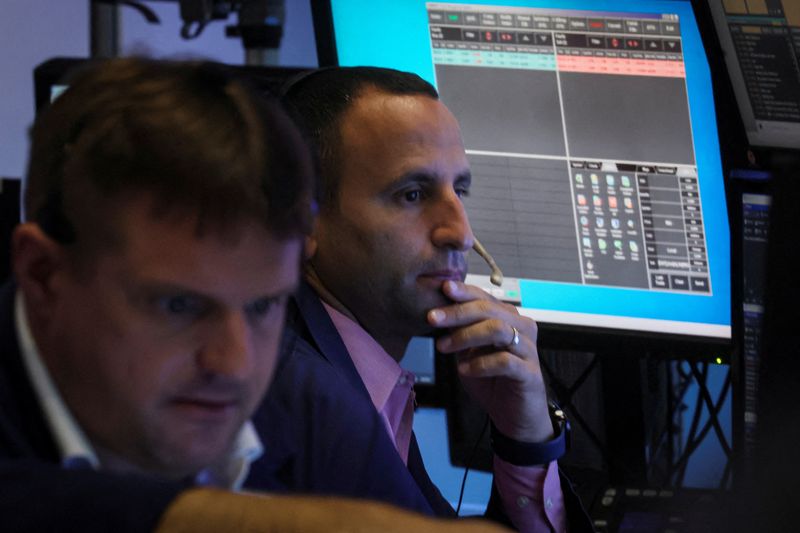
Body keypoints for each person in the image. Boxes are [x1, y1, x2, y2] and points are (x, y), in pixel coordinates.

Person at [0, 57, 509, 533]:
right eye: (179, 306)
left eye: (265, 306)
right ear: (44, 275)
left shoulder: (305, 403)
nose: (235, 363)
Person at [259, 66, 593, 532]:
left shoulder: (357, 377)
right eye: (411, 194)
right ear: (304, 219)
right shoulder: (306, 407)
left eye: (459, 190)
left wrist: (526, 438)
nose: (460, 233)